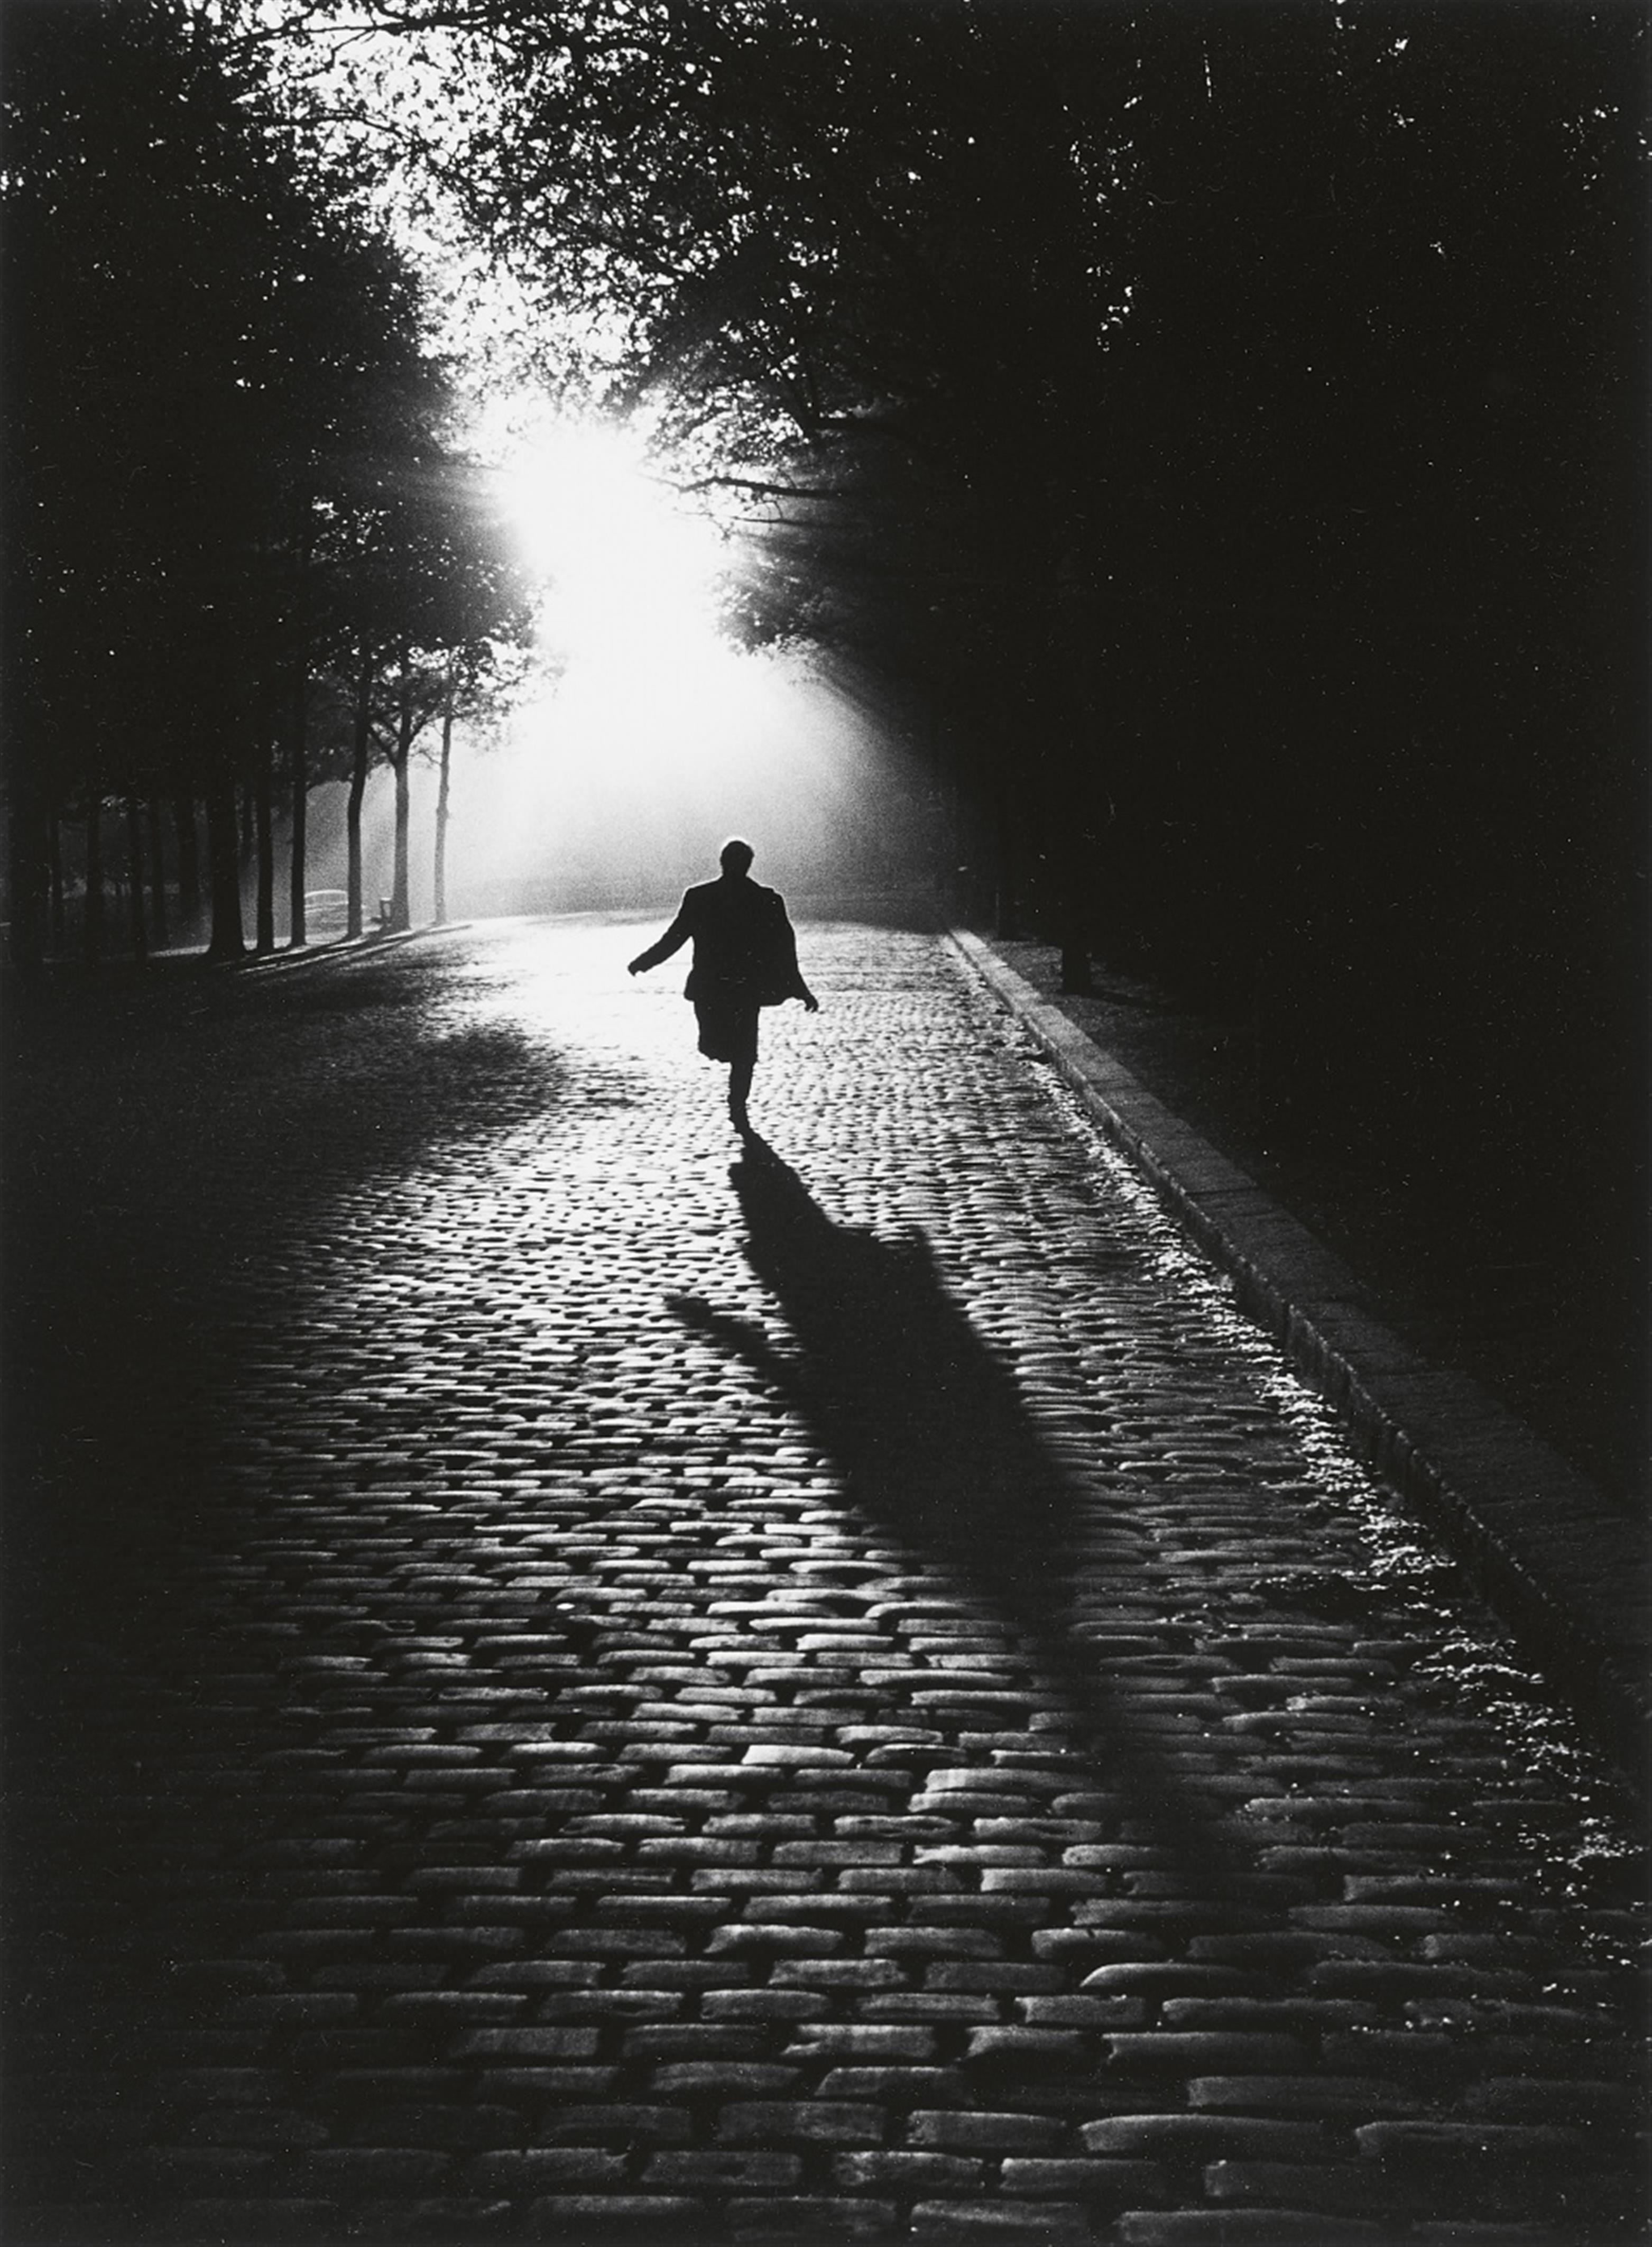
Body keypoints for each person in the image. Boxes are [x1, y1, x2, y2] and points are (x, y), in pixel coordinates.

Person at [628, 839, 819, 1132]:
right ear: (748, 864)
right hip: (744, 988)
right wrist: (800, 988)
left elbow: (675, 937)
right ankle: (737, 1094)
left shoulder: (701, 897)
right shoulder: (765, 899)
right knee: (736, 1050)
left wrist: (645, 961)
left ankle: (737, 1103)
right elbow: (785, 949)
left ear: (723, 862)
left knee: (733, 1049)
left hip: (712, 987)